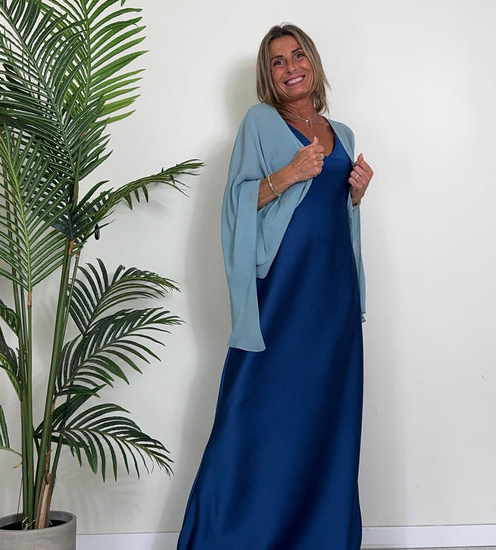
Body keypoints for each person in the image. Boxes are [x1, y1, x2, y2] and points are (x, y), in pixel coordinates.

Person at [178, 23, 373, 550]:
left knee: (326, 414)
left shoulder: (343, 133)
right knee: (255, 406)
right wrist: (289, 173)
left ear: (313, 62)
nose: (291, 68)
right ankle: (228, 536)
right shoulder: (261, 122)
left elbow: (335, 214)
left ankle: (319, 537)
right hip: (283, 289)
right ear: (269, 75)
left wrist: (355, 195)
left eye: (298, 55)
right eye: (278, 61)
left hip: (333, 293)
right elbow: (236, 202)